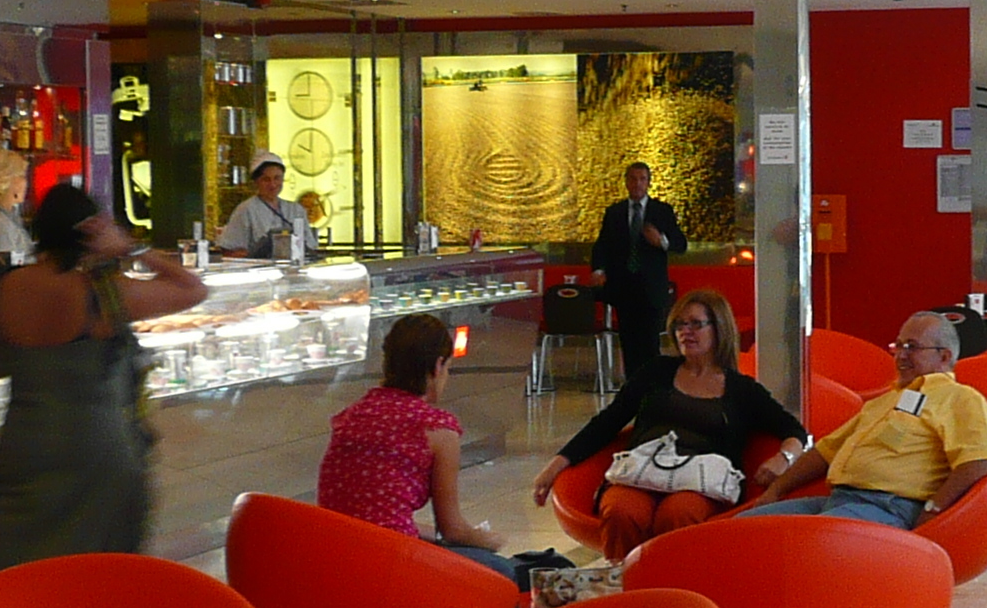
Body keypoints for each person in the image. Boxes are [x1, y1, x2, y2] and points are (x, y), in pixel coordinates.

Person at [0, 182, 204, 570]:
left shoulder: (6, 287)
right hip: (97, 453)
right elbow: (193, 289)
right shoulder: (105, 293)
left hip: (23, 448)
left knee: (23, 576)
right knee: (97, 575)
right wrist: (131, 247)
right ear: (92, 232)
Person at [530, 288, 804, 560]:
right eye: (679, 325)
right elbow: (606, 422)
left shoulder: (741, 389)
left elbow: (794, 431)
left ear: (718, 328)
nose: (686, 331)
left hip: (700, 481)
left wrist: (784, 459)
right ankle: (626, 588)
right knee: (621, 511)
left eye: (696, 324)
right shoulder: (656, 372)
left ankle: (674, 591)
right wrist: (555, 465)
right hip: (642, 472)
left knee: (678, 514)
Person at [741, 311, 987, 528]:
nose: (900, 355)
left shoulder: (959, 398)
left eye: (912, 347)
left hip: (889, 507)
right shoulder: (886, 401)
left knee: (807, 541)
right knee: (741, 529)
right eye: (898, 346)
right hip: (837, 500)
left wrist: (934, 510)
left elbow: (978, 462)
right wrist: (776, 490)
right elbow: (824, 453)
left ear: (944, 357)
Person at [317, 313, 519, 582]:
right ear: (437, 366)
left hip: (332, 551)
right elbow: (453, 530)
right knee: (501, 572)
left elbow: (371, 513)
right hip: (388, 561)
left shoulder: (351, 416)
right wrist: (487, 539)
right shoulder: (437, 429)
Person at [587, 161, 683, 383]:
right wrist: (599, 269)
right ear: (626, 182)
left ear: (648, 183)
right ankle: (633, 389)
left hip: (651, 289)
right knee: (629, 344)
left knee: (649, 343)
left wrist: (661, 241)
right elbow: (602, 246)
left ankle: (653, 389)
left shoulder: (662, 211)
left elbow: (681, 244)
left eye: (642, 179)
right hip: (623, 289)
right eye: (633, 179)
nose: (637, 184)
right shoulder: (615, 212)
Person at [216, 154, 315, 260]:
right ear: (256, 182)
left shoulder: (296, 209)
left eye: (277, 178)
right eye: (266, 179)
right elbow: (228, 251)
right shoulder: (246, 210)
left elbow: (310, 246)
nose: (273, 184)